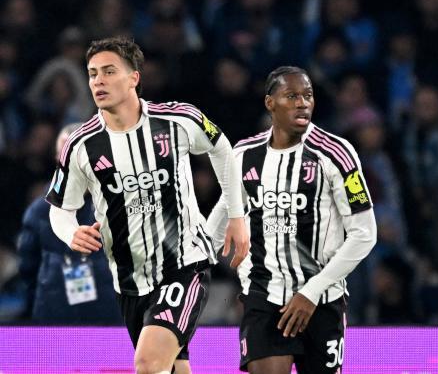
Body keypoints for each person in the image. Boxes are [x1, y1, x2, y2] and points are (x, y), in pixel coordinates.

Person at [45, 37, 249, 374]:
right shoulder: (80, 144)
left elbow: (222, 149)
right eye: (93, 74)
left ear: (134, 78)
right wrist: (71, 233)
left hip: (184, 265)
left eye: (109, 71)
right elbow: (60, 208)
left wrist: (236, 216)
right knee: (173, 367)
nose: (98, 81)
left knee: (148, 363)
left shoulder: (178, 120)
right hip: (128, 281)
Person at [207, 66, 377, 374]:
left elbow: (364, 233)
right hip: (264, 296)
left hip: (322, 300)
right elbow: (219, 223)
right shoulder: (244, 155)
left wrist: (311, 292)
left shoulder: (337, 154)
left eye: (307, 96)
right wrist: (193, 272)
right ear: (270, 103)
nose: (302, 103)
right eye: (292, 96)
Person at [17, 123, 121, 324]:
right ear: (57, 157)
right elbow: (28, 266)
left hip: (109, 314)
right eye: (64, 154)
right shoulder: (39, 211)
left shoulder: (119, 204)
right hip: (54, 311)